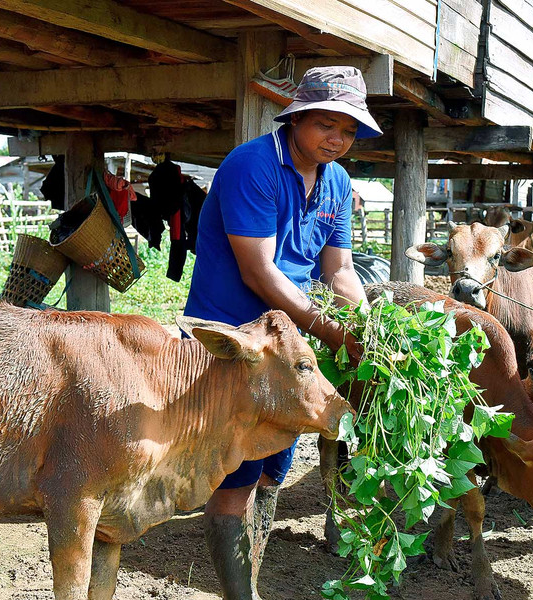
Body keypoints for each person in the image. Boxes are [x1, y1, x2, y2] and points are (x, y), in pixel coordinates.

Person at [183, 66, 383, 599]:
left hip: (290, 342)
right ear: (296, 119)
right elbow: (259, 271)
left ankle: (251, 569)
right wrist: (335, 333)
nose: (337, 139)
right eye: (325, 124)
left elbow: (338, 271)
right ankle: (238, 593)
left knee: (273, 468)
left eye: (348, 130)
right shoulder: (253, 165)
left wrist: (371, 329)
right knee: (233, 477)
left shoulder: (337, 183)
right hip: (233, 341)